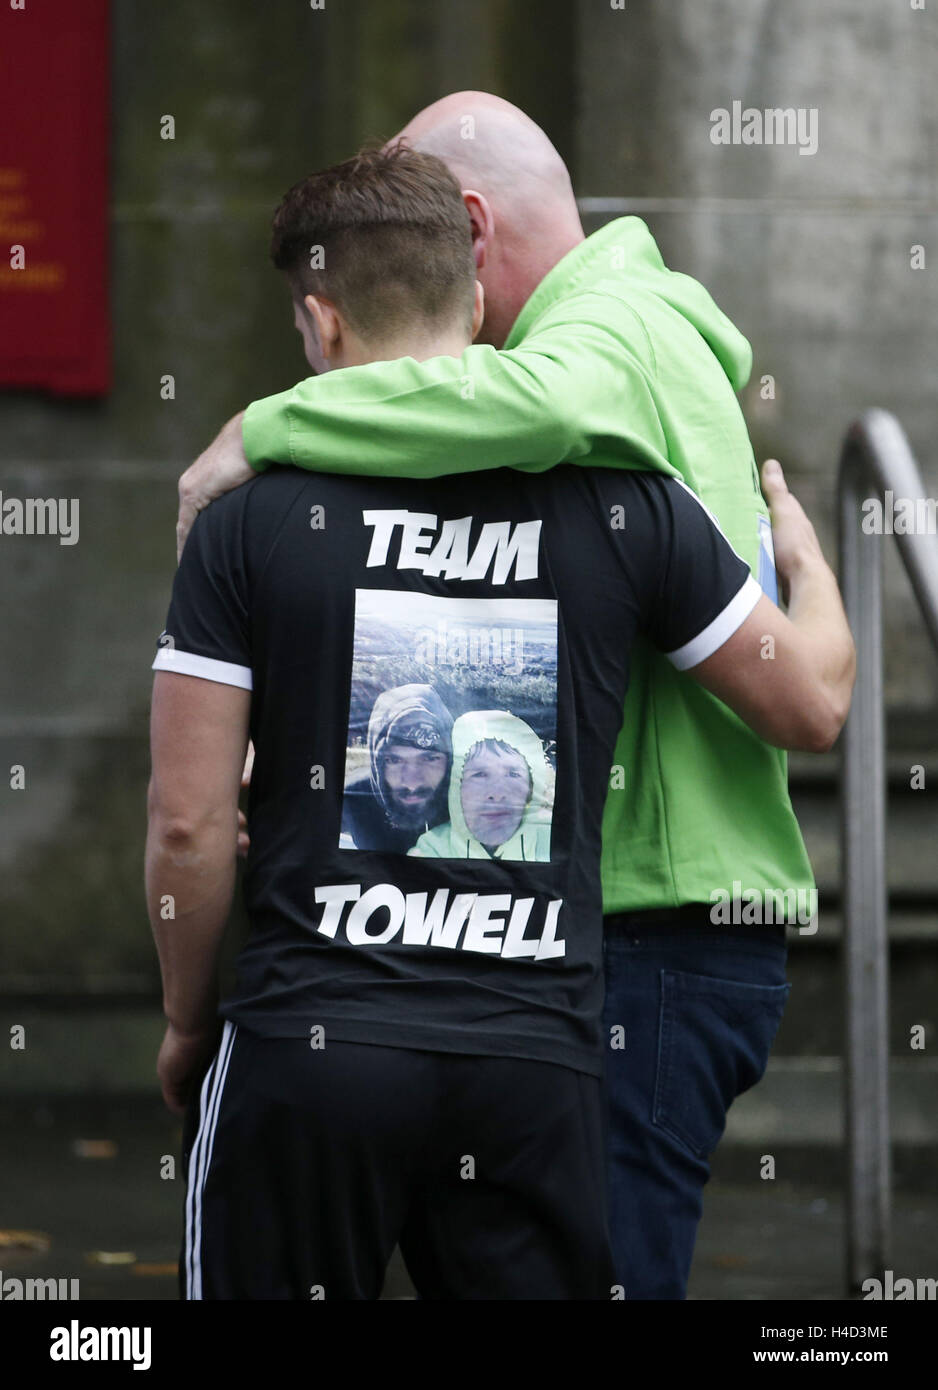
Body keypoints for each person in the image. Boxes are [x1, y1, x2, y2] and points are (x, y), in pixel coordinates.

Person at [150, 143, 853, 1301]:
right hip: (534, 1067)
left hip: (310, 1044)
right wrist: (808, 563)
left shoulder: (245, 521)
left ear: (321, 325)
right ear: (477, 301)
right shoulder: (628, 505)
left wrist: (187, 1017)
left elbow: (186, 822)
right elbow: (806, 697)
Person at [410, 711, 553, 861]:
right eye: (480, 774)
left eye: (513, 774)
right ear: (456, 786)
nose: (497, 793)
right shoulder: (430, 851)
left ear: (531, 788)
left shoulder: (554, 841)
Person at [341, 684, 453, 852]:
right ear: (376, 761)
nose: (412, 783)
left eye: (430, 758)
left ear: (450, 760)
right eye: (394, 760)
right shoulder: (353, 798)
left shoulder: (469, 802)